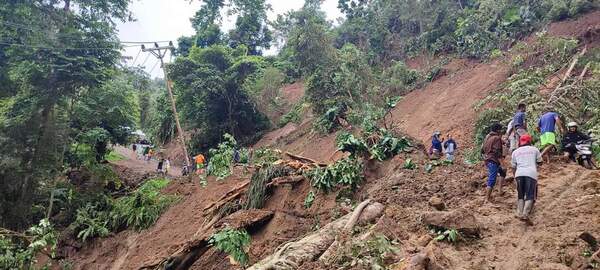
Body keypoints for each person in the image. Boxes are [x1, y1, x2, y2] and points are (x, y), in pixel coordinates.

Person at [511, 133, 542, 223]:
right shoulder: (534, 149)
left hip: (519, 174)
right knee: (530, 195)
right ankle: (525, 214)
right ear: (529, 141)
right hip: (531, 174)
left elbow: (513, 166)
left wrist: (514, 176)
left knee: (520, 195)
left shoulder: (515, 152)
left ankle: (519, 213)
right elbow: (540, 162)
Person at [482, 123, 506, 202]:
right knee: (492, 178)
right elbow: (497, 152)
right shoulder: (496, 138)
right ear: (498, 130)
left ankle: (500, 191)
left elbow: (482, 149)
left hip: (487, 159)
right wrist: (502, 164)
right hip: (493, 160)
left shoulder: (487, 137)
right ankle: (487, 199)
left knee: (502, 172)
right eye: (501, 130)